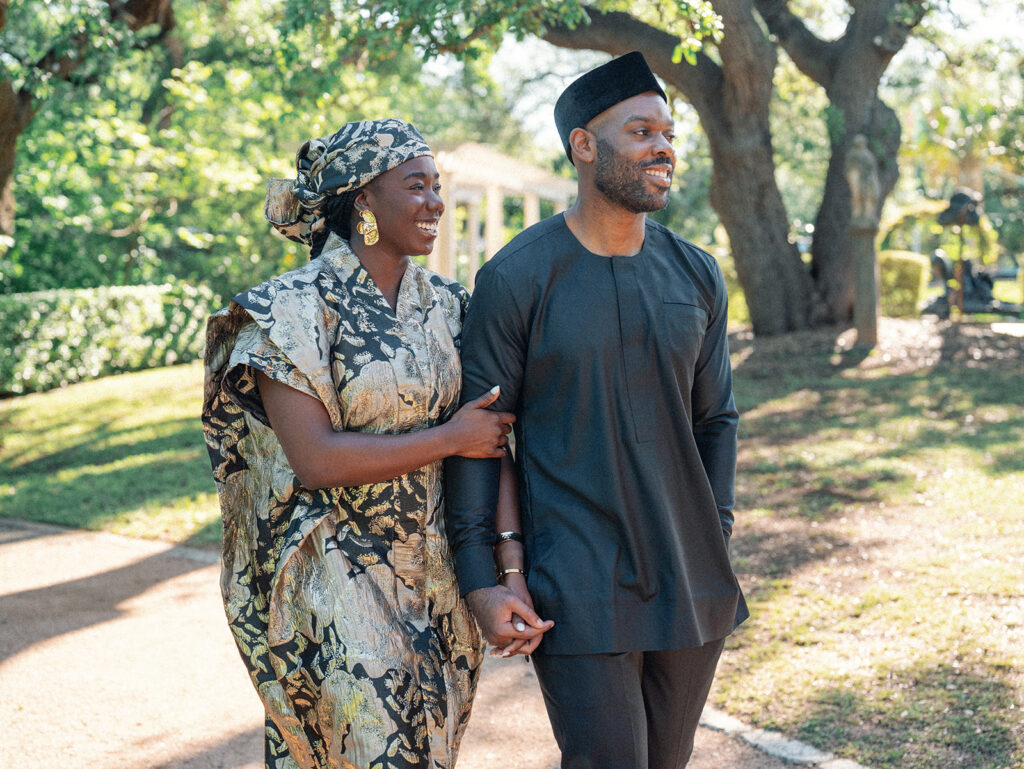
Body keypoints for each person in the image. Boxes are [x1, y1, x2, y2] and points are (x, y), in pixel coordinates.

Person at [444, 52, 749, 769]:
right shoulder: (516, 277)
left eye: (667, 132)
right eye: (640, 131)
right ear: (585, 145)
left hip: (689, 574)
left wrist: (720, 526)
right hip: (575, 578)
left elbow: (717, 419)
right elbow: (482, 439)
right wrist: (484, 579)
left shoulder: (696, 272)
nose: (663, 147)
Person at [201, 118, 534, 769]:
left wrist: (506, 571)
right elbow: (318, 459)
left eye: (438, 185)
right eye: (417, 185)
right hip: (334, 571)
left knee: (422, 750)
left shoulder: (450, 306)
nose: (435, 201)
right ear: (362, 200)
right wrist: (451, 437)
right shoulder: (288, 309)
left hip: (435, 577)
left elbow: (494, 442)